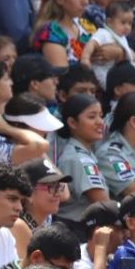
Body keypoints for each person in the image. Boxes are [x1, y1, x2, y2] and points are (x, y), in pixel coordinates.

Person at [55, 93, 108, 222]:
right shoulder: (77, 158)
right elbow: (103, 203)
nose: (100, 122)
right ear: (72, 122)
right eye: (91, 117)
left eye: (101, 116)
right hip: (76, 229)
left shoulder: (85, 153)